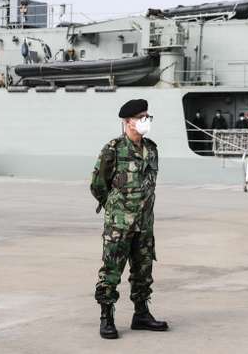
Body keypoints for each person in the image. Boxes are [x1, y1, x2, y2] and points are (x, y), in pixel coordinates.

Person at [90, 99, 169, 339]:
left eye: (148, 117)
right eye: (142, 117)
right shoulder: (113, 149)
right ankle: (107, 317)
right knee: (111, 271)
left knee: (143, 271)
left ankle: (141, 314)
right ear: (128, 122)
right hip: (119, 225)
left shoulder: (152, 149)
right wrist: (115, 209)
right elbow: (97, 184)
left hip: (144, 224)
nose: (147, 121)